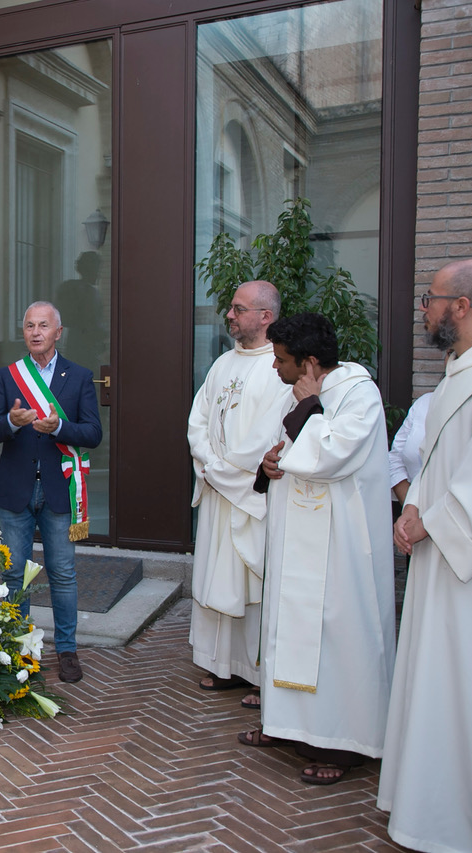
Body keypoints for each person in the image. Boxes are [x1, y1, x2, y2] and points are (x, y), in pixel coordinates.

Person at [380, 258, 472, 852]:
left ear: (460, 306)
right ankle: (430, 809)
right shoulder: (461, 372)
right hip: (439, 560)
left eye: (430, 299)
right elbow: (437, 462)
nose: (424, 309)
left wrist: (429, 520)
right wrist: (414, 507)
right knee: (434, 685)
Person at [239, 312, 395, 786]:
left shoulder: (358, 394)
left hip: (340, 549)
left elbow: (329, 456)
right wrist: (270, 463)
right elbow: (289, 449)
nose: (274, 368)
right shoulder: (301, 393)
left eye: (281, 360)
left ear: (308, 363)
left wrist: (309, 406)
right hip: (296, 539)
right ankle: (284, 725)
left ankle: (343, 744)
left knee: (337, 642)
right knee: (286, 630)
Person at [0, 301, 102, 683]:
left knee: (62, 573)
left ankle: (66, 650)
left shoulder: (79, 377)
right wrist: (11, 421)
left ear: (58, 332)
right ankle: (18, 649)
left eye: (43, 325)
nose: (36, 332)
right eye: (30, 326)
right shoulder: (8, 377)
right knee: (14, 574)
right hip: (16, 491)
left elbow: (93, 433)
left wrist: (60, 428)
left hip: (58, 491)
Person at [187, 281, 289, 708]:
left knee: (253, 583)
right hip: (219, 492)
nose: (229, 315)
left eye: (238, 308)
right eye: (231, 308)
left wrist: (222, 472)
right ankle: (223, 665)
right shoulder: (222, 363)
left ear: (266, 316)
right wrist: (210, 464)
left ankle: (259, 673)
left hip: (250, 498)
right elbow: (198, 420)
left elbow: (269, 437)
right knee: (217, 576)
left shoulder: (281, 368)